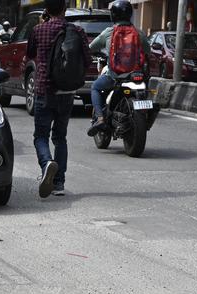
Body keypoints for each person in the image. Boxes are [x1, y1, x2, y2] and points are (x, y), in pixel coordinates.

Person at [26, 0, 83, 197]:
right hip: (67, 91)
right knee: (60, 137)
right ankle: (58, 184)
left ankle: (46, 163)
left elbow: (30, 54)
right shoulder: (76, 30)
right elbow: (88, 58)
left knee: (40, 136)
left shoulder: (39, 29)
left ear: (47, 10)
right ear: (65, 9)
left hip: (44, 89)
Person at [86, 0, 149, 136]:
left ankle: (101, 118)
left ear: (113, 15)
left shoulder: (109, 32)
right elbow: (148, 51)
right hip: (135, 76)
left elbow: (90, 48)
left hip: (115, 76)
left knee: (95, 88)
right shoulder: (139, 33)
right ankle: (145, 113)